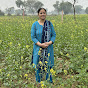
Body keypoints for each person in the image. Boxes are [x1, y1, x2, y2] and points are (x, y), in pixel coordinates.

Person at [31, 8, 56, 83]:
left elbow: (53, 35)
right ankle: (38, 82)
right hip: (38, 48)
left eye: (44, 13)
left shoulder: (49, 24)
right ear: (38, 14)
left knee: (49, 64)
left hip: (48, 48)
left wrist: (49, 42)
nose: (43, 14)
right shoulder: (35, 24)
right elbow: (33, 37)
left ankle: (49, 81)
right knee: (38, 64)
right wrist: (40, 44)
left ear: (46, 14)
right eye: (41, 13)